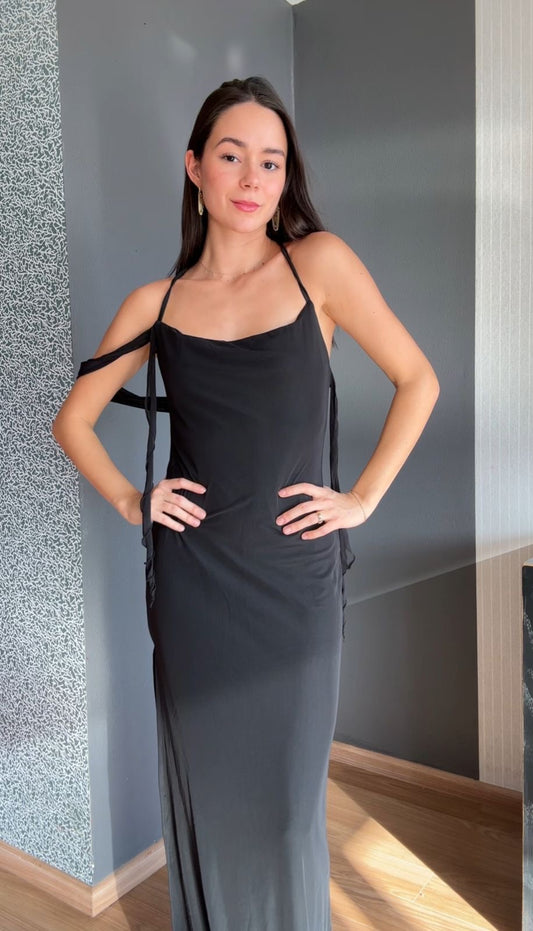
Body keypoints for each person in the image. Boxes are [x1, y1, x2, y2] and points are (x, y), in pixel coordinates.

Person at [52, 76, 439, 931]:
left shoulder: (318, 264)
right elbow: (72, 420)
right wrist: (133, 499)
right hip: (195, 590)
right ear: (195, 167)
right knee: (212, 803)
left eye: (271, 160)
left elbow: (417, 378)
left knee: (288, 816)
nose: (252, 177)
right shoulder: (155, 304)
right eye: (231, 156)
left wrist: (361, 498)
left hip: (295, 586)